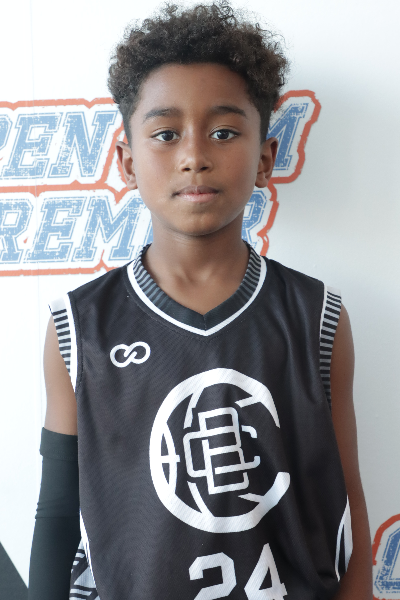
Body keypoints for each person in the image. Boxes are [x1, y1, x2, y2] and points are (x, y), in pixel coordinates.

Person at [28, 3, 372, 599]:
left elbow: (346, 499)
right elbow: (58, 513)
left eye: (224, 132)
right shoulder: (78, 328)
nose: (194, 155)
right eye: (166, 134)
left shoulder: (316, 316)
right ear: (128, 162)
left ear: (264, 159)